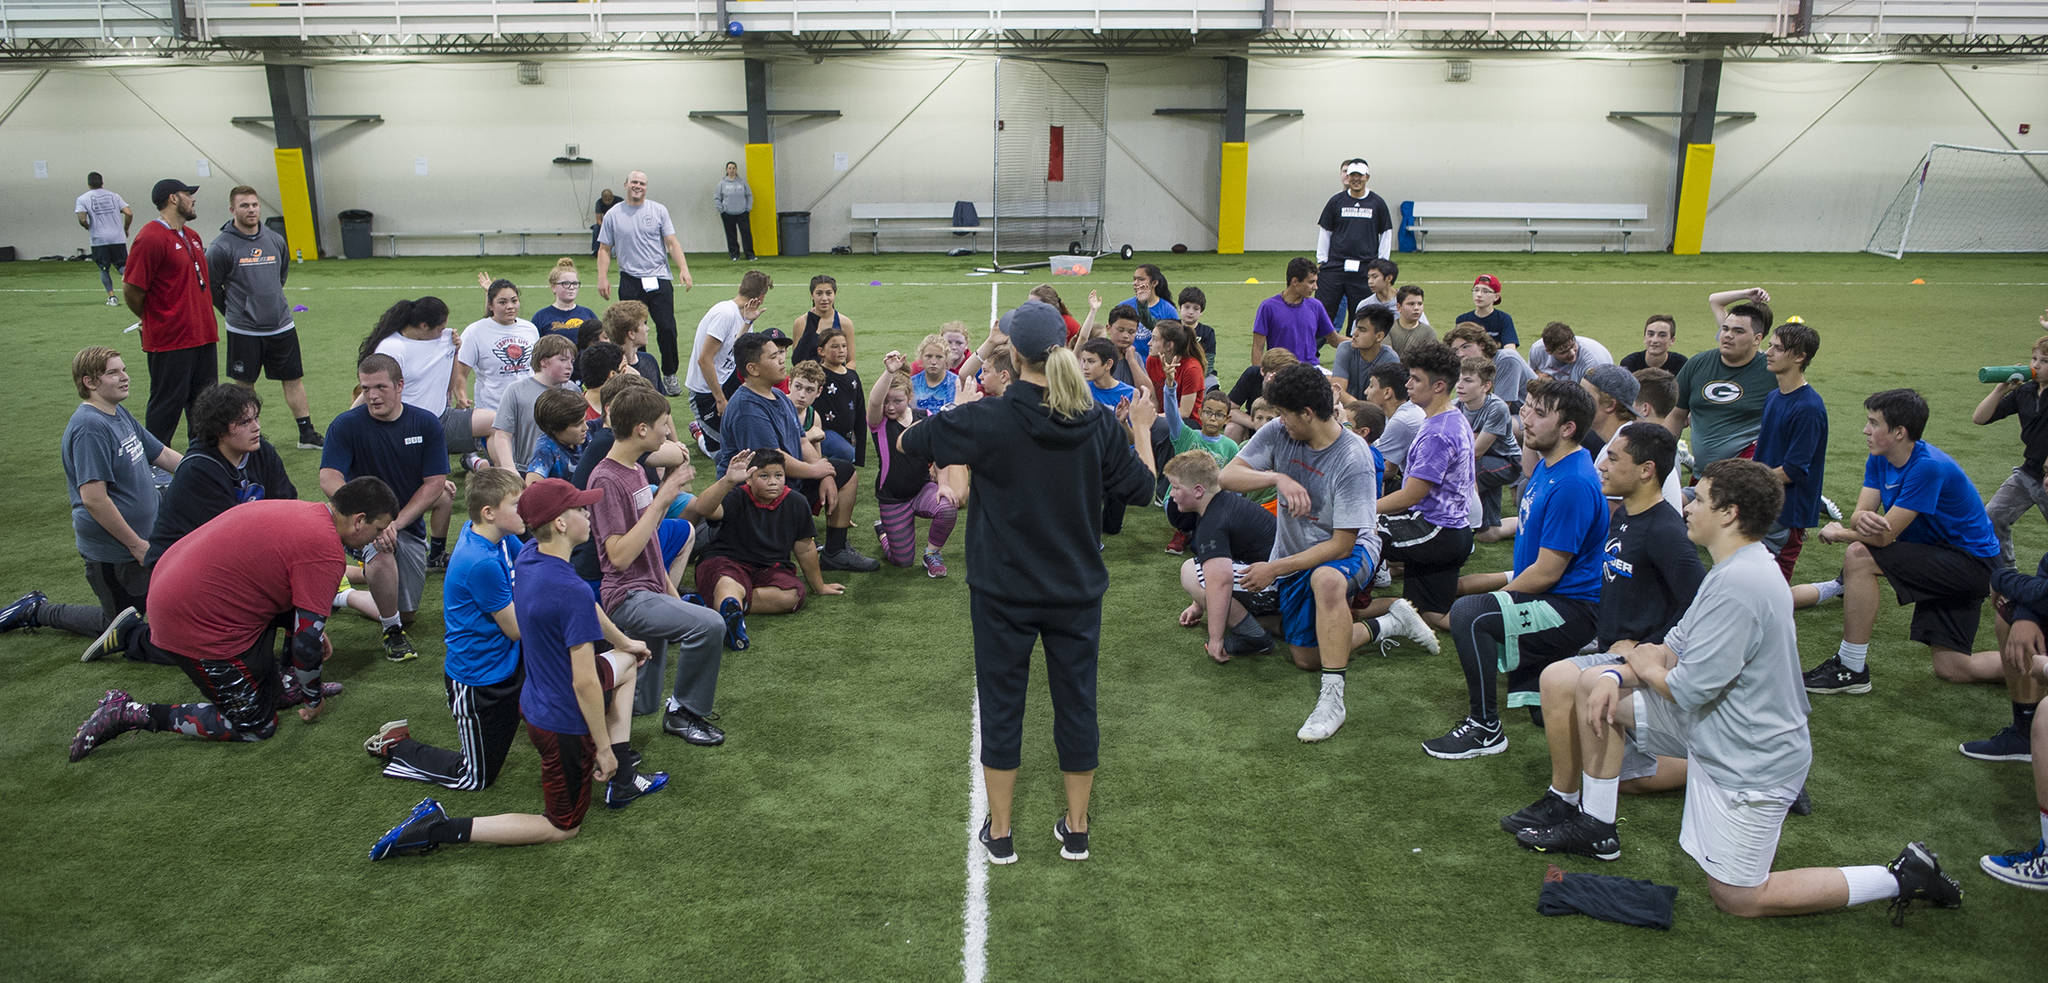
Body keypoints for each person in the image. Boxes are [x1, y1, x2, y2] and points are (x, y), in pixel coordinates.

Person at [1512, 459, 1963, 927]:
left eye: (1699, 499)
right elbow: (1673, 646)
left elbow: (1686, 689)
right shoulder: (1732, 568)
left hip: (1752, 760)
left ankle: (1902, 875)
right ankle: (1598, 827)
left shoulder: (1742, 583)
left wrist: (1639, 665)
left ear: (1728, 513)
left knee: (1738, 898)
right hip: (1719, 732)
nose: (1686, 506)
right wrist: (1614, 676)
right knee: (1592, 684)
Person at [901, 299, 1158, 864]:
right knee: (1077, 704)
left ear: (1010, 355)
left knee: (1001, 705)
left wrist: (956, 410)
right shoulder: (1093, 419)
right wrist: (1141, 429)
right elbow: (1144, 490)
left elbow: (908, 446)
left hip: (1002, 591)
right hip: (1074, 591)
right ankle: (1078, 828)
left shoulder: (986, 416)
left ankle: (1001, 833)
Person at [368, 477, 668, 860]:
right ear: (560, 524)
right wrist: (604, 749)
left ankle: (624, 780)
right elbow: (585, 684)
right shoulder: (558, 582)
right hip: (561, 722)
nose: (588, 514)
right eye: (579, 509)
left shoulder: (530, 555)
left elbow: (581, 603)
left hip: (535, 695)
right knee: (563, 827)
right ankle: (438, 827)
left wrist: (625, 644)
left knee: (627, 665)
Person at [66, 477, 398, 761]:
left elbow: (285, 601)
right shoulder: (325, 549)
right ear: (359, 520)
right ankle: (129, 713)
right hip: (191, 619)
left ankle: (281, 685)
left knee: (294, 630)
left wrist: (302, 631)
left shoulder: (309, 513)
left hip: (184, 593)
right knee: (256, 726)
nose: (378, 538)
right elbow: (306, 643)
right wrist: (314, 698)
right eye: (378, 529)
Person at [1504, 423, 1704, 838]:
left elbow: (1700, 604)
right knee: (1557, 682)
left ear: (1647, 470)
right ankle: (1563, 797)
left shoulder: (1666, 532)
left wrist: (1651, 646)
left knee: (1628, 779)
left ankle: (1721, 765)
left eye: (1613, 458)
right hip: (1610, 647)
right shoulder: (1625, 514)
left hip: (1640, 662)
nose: (1602, 465)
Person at [1425, 378, 1606, 760]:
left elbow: (1547, 572)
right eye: (1527, 408)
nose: (1527, 419)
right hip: (1554, 597)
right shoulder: (1553, 463)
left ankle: (1485, 728)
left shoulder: (1571, 482)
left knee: (1471, 614)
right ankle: (1557, 691)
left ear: (1568, 429)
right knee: (1546, 713)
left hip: (1569, 608)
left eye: (1540, 414)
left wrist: (1497, 601)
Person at [1221, 363, 1385, 742]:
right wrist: (1276, 476)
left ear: (1307, 414)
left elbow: (1342, 544)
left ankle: (1333, 700)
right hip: (1296, 554)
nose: (1279, 422)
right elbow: (1228, 476)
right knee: (1305, 658)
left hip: (1353, 549)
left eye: (1284, 414)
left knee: (1325, 579)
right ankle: (1385, 624)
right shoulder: (1281, 431)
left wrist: (1274, 568)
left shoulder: (1353, 457)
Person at [1801, 388, 1999, 695]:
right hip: (1937, 555)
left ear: (1899, 432)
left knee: (1859, 555)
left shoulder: (1928, 467)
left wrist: (1841, 533)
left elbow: (1882, 537)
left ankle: (1851, 668)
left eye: (1873, 423)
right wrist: (1859, 521)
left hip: (1970, 564)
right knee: (1953, 667)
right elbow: (1861, 515)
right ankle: (2038, 667)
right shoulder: (1880, 459)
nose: (1865, 430)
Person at [1, 347, 182, 657]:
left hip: (144, 541)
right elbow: (94, 499)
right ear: (89, 382)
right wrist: (136, 545)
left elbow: (162, 454)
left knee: (164, 606)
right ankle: (37, 611)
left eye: (123, 369)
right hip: (117, 553)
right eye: (113, 372)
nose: (125, 377)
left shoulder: (117, 412)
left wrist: (210, 474)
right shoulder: (90, 427)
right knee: (119, 626)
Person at [368, 467, 530, 790]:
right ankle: (397, 745)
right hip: (479, 681)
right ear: (489, 513)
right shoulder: (481, 561)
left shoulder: (502, 538)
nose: (524, 510)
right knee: (474, 778)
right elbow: (517, 629)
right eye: (516, 504)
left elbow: (533, 569)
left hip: (508, 665)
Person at [589, 384, 728, 736]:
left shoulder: (634, 468)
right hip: (626, 597)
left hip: (648, 589)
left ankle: (589, 698)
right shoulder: (606, 478)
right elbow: (618, 557)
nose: (668, 432)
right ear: (641, 430)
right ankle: (684, 712)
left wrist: (671, 593)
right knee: (711, 625)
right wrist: (663, 497)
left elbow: (649, 543)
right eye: (663, 424)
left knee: (643, 702)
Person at [320, 354, 452, 663]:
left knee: (407, 614)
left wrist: (396, 522)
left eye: (380, 386)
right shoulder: (346, 425)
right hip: (362, 525)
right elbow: (328, 477)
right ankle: (392, 632)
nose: (372, 396)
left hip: (406, 525)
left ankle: (344, 595)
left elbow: (435, 483)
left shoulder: (425, 423)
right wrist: (369, 516)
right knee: (381, 549)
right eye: (366, 388)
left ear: (400, 385)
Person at [720, 333, 877, 571]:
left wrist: (824, 473)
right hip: (759, 492)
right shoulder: (747, 407)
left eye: (781, 354)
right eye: (774, 356)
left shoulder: (780, 397)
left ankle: (835, 550)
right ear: (753, 369)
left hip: (786, 479)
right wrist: (815, 471)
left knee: (844, 472)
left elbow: (802, 441)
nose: (783, 359)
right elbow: (771, 460)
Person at [1362, 342, 1475, 638]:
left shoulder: (1438, 432)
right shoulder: (1452, 416)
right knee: (1432, 614)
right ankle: (1505, 624)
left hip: (1436, 532)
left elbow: (1412, 496)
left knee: (1363, 531)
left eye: (1415, 379)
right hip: (1455, 532)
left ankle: (1350, 606)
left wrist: (1363, 508)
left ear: (1438, 386)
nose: (1407, 385)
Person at [684, 448, 846, 650]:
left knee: (794, 595)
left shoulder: (796, 502)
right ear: (749, 479)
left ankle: (725, 606)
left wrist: (820, 586)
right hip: (726, 561)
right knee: (727, 582)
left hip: (770, 568)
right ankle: (730, 615)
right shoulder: (736, 496)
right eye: (764, 476)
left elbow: (804, 548)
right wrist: (728, 481)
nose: (773, 481)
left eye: (779, 475)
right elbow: (703, 508)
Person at [208, 186, 321, 450]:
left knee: (293, 379)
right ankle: (247, 434)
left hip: (281, 325)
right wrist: (236, 312)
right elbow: (213, 288)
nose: (251, 210)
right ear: (232, 209)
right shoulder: (220, 247)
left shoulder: (274, 240)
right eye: (244, 205)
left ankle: (306, 434)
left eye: (254, 205)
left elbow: (280, 276)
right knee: (244, 385)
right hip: (244, 330)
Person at [145, 383, 294, 568]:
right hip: (179, 566)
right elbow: (229, 536)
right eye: (244, 422)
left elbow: (287, 505)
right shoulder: (198, 470)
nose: (256, 427)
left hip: (226, 556)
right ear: (218, 429)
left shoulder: (262, 451)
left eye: (256, 418)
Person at [124, 178, 220, 445]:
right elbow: (132, 289)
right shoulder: (150, 237)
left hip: (203, 335)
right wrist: (153, 318)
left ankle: (203, 458)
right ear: (173, 199)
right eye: (188, 194)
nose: (193, 199)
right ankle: (154, 466)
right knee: (167, 404)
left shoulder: (193, 237)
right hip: (171, 339)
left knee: (205, 404)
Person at [1166, 449, 1279, 661]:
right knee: (1203, 569)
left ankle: (1253, 637)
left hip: (1276, 585)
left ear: (1198, 491)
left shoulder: (1214, 519)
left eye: (1175, 487)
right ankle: (1267, 623)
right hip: (1279, 581)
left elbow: (1220, 581)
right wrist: (1198, 604)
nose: (1171, 494)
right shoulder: (1221, 504)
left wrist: (1216, 639)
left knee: (1189, 570)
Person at [596, 169, 694, 395]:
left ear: (646, 187)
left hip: (659, 279)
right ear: (625, 185)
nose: (637, 186)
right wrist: (602, 278)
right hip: (630, 279)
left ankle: (669, 374)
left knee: (667, 328)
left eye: (641, 183)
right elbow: (604, 249)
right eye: (634, 182)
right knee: (632, 332)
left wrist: (684, 269)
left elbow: (672, 243)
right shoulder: (613, 214)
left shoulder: (658, 210)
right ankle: (640, 374)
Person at [1665, 287, 1774, 475]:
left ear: (1757, 339)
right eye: (1725, 329)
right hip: (1704, 474)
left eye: (1738, 331)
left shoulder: (1771, 371)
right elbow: (1676, 415)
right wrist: (1661, 453)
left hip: (1747, 476)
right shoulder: (1698, 364)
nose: (1728, 335)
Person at [1752, 319, 1827, 581]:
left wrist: (1748, 482)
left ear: (1800, 357)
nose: (1768, 352)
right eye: (1770, 345)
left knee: (1772, 588)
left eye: (1778, 348)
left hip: (1787, 510)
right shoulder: (1774, 396)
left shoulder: (1808, 408)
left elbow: (1794, 469)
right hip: (1764, 501)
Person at [867, 371, 959, 577]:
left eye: (897, 401)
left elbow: (938, 452)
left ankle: (932, 554)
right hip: (892, 498)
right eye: (886, 401)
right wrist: (889, 372)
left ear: (909, 398)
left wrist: (943, 484)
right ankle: (884, 534)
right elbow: (874, 402)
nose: (890, 407)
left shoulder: (924, 416)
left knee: (947, 508)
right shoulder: (878, 422)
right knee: (903, 561)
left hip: (922, 490)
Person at [1973, 334, 2048, 570]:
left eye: (2044, 361)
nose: (2035, 365)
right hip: (2028, 472)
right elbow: (1979, 418)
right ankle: (2007, 575)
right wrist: (1999, 390)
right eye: (2034, 358)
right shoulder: (2025, 392)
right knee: (1992, 516)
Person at [684, 270, 770, 458]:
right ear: (761, 296)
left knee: (746, 444)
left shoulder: (744, 315)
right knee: (725, 454)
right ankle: (699, 432)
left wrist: (747, 322)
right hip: (707, 393)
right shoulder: (724, 313)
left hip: (728, 384)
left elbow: (736, 350)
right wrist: (720, 399)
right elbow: (704, 359)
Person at [1314, 158, 1394, 330]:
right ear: (1347, 178)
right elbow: (1325, 231)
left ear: (1367, 177)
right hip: (1336, 265)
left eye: (1360, 175)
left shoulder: (1377, 203)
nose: (1356, 179)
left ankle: (1357, 352)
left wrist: (1382, 262)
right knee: (1323, 310)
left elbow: (1386, 233)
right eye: (1352, 175)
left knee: (1362, 314)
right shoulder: (1336, 201)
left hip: (1365, 268)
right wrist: (1322, 259)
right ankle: (1311, 353)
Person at [488, 333, 577, 472]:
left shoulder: (572, 390)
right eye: (563, 360)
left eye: (572, 361)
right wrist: (510, 469)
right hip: (527, 470)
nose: (569, 366)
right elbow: (502, 434)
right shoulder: (516, 391)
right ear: (543, 361)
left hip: (567, 470)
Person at [1457, 356, 1522, 543]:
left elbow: (1475, 452)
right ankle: (1527, 521)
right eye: (1459, 379)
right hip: (1483, 463)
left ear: (1486, 386)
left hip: (1508, 463)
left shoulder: (1497, 408)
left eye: (1468, 381)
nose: (1460, 385)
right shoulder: (1456, 406)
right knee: (1488, 534)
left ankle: (1460, 527)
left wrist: (1467, 441)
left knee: (1467, 471)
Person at [457, 279, 540, 418]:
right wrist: (461, 396)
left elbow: (537, 368)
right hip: (492, 413)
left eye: (514, 301)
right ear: (490, 305)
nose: (510, 306)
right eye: (502, 302)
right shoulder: (475, 332)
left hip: (529, 411)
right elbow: (460, 372)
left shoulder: (530, 329)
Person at [1253, 257, 1340, 366]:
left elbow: (1335, 340)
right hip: (1280, 370)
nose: (1316, 287)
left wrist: (1361, 341)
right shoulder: (1268, 307)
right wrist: (1258, 376)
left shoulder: (1316, 306)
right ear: (1295, 282)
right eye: (1311, 282)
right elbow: (1257, 347)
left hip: (1311, 369)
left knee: (1337, 382)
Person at [1446, 323, 1534, 415]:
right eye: (1456, 350)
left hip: (1530, 416)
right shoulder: (1469, 367)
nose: (1460, 354)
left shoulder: (1506, 360)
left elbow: (1501, 408)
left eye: (1465, 347)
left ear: (1482, 345)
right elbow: (1463, 403)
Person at [76, 171, 133, 305]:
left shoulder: (83, 199)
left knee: (104, 268)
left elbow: (82, 218)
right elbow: (129, 213)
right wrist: (125, 228)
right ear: (102, 182)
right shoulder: (115, 196)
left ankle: (112, 297)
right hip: (117, 238)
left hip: (99, 239)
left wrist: (87, 226)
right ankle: (135, 289)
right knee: (122, 266)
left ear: (88, 184)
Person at [1366, 362, 1423, 487]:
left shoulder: (1401, 421)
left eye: (1371, 386)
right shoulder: (1396, 413)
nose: (1366, 392)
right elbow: (1390, 468)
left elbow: (1375, 464)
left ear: (1387, 392)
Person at [1331, 305, 1400, 404]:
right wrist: (1359, 409)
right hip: (1348, 411)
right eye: (1356, 328)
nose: (1354, 334)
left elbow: (1385, 401)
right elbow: (1337, 391)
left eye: (1362, 330)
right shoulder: (1345, 348)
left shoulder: (1390, 359)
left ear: (1379, 336)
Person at [1225, 347, 1298, 441]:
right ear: (1263, 371)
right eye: (1276, 375)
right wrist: (1256, 423)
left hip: (1284, 428)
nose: (1281, 380)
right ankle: (1232, 455)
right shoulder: (1252, 375)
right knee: (1233, 427)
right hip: (1255, 422)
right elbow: (1229, 409)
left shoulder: (1295, 383)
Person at [530, 258, 598, 353]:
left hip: (584, 367)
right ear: (553, 287)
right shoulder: (541, 316)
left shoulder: (588, 313)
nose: (571, 288)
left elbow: (599, 344)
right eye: (565, 283)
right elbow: (534, 349)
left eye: (575, 283)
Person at [525, 388, 592, 484]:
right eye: (578, 424)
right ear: (555, 428)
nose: (586, 428)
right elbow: (531, 489)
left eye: (584, 420)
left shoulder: (585, 435)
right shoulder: (545, 451)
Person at [790, 274, 856, 367]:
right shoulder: (801, 323)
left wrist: (842, 377)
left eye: (829, 293)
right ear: (812, 295)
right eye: (819, 293)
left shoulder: (845, 323)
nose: (824, 298)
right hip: (809, 378)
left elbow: (851, 362)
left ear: (835, 294)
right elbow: (797, 361)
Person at [1528, 322, 1615, 386]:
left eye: (1573, 346)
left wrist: (1552, 384)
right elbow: (1531, 377)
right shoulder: (1538, 350)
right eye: (1564, 352)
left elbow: (1591, 398)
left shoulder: (1591, 362)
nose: (1572, 353)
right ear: (1549, 351)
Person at [1455, 274, 1518, 350]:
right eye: (1476, 290)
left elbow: (1510, 349)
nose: (1479, 295)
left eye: (1485, 291)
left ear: (1496, 297)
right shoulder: (1462, 320)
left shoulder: (1503, 319)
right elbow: (1457, 348)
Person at [1175, 286, 1219, 387]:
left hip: (1201, 374)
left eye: (1196, 308)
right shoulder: (1171, 327)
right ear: (1179, 308)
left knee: (1212, 389)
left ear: (1201, 312)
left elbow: (1209, 362)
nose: (1191, 312)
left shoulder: (1208, 332)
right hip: (1174, 372)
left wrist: (1194, 378)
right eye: (1186, 307)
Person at [714, 160, 756, 261]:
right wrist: (722, 210)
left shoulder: (742, 182)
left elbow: (749, 195)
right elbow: (717, 198)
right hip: (728, 213)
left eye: (733, 168)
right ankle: (734, 255)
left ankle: (750, 255)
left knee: (746, 234)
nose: (732, 170)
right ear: (726, 170)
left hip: (742, 213)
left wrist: (748, 208)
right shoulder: (722, 184)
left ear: (736, 170)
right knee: (731, 235)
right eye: (730, 168)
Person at [1620, 314, 1687, 375]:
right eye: (1650, 334)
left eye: (1662, 335)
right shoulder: (1629, 364)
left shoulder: (1682, 365)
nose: (1654, 340)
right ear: (1644, 338)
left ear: (1672, 340)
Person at [1385, 285, 1437, 358]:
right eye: (1411, 304)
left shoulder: (1428, 332)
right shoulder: (1388, 329)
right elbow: (1388, 358)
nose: (1416, 308)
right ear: (1399, 307)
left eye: (1420, 304)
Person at [590, 187, 618, 255]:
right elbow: (598, 220)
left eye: (609, 200)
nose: (608, 202)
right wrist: (606, 227)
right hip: (605, 224)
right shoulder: (599, 203)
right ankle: (596, 250)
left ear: (612, 197)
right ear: (602, 199)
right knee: (596, 228)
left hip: (618, 223)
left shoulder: (619, 202)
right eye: (606, 200)